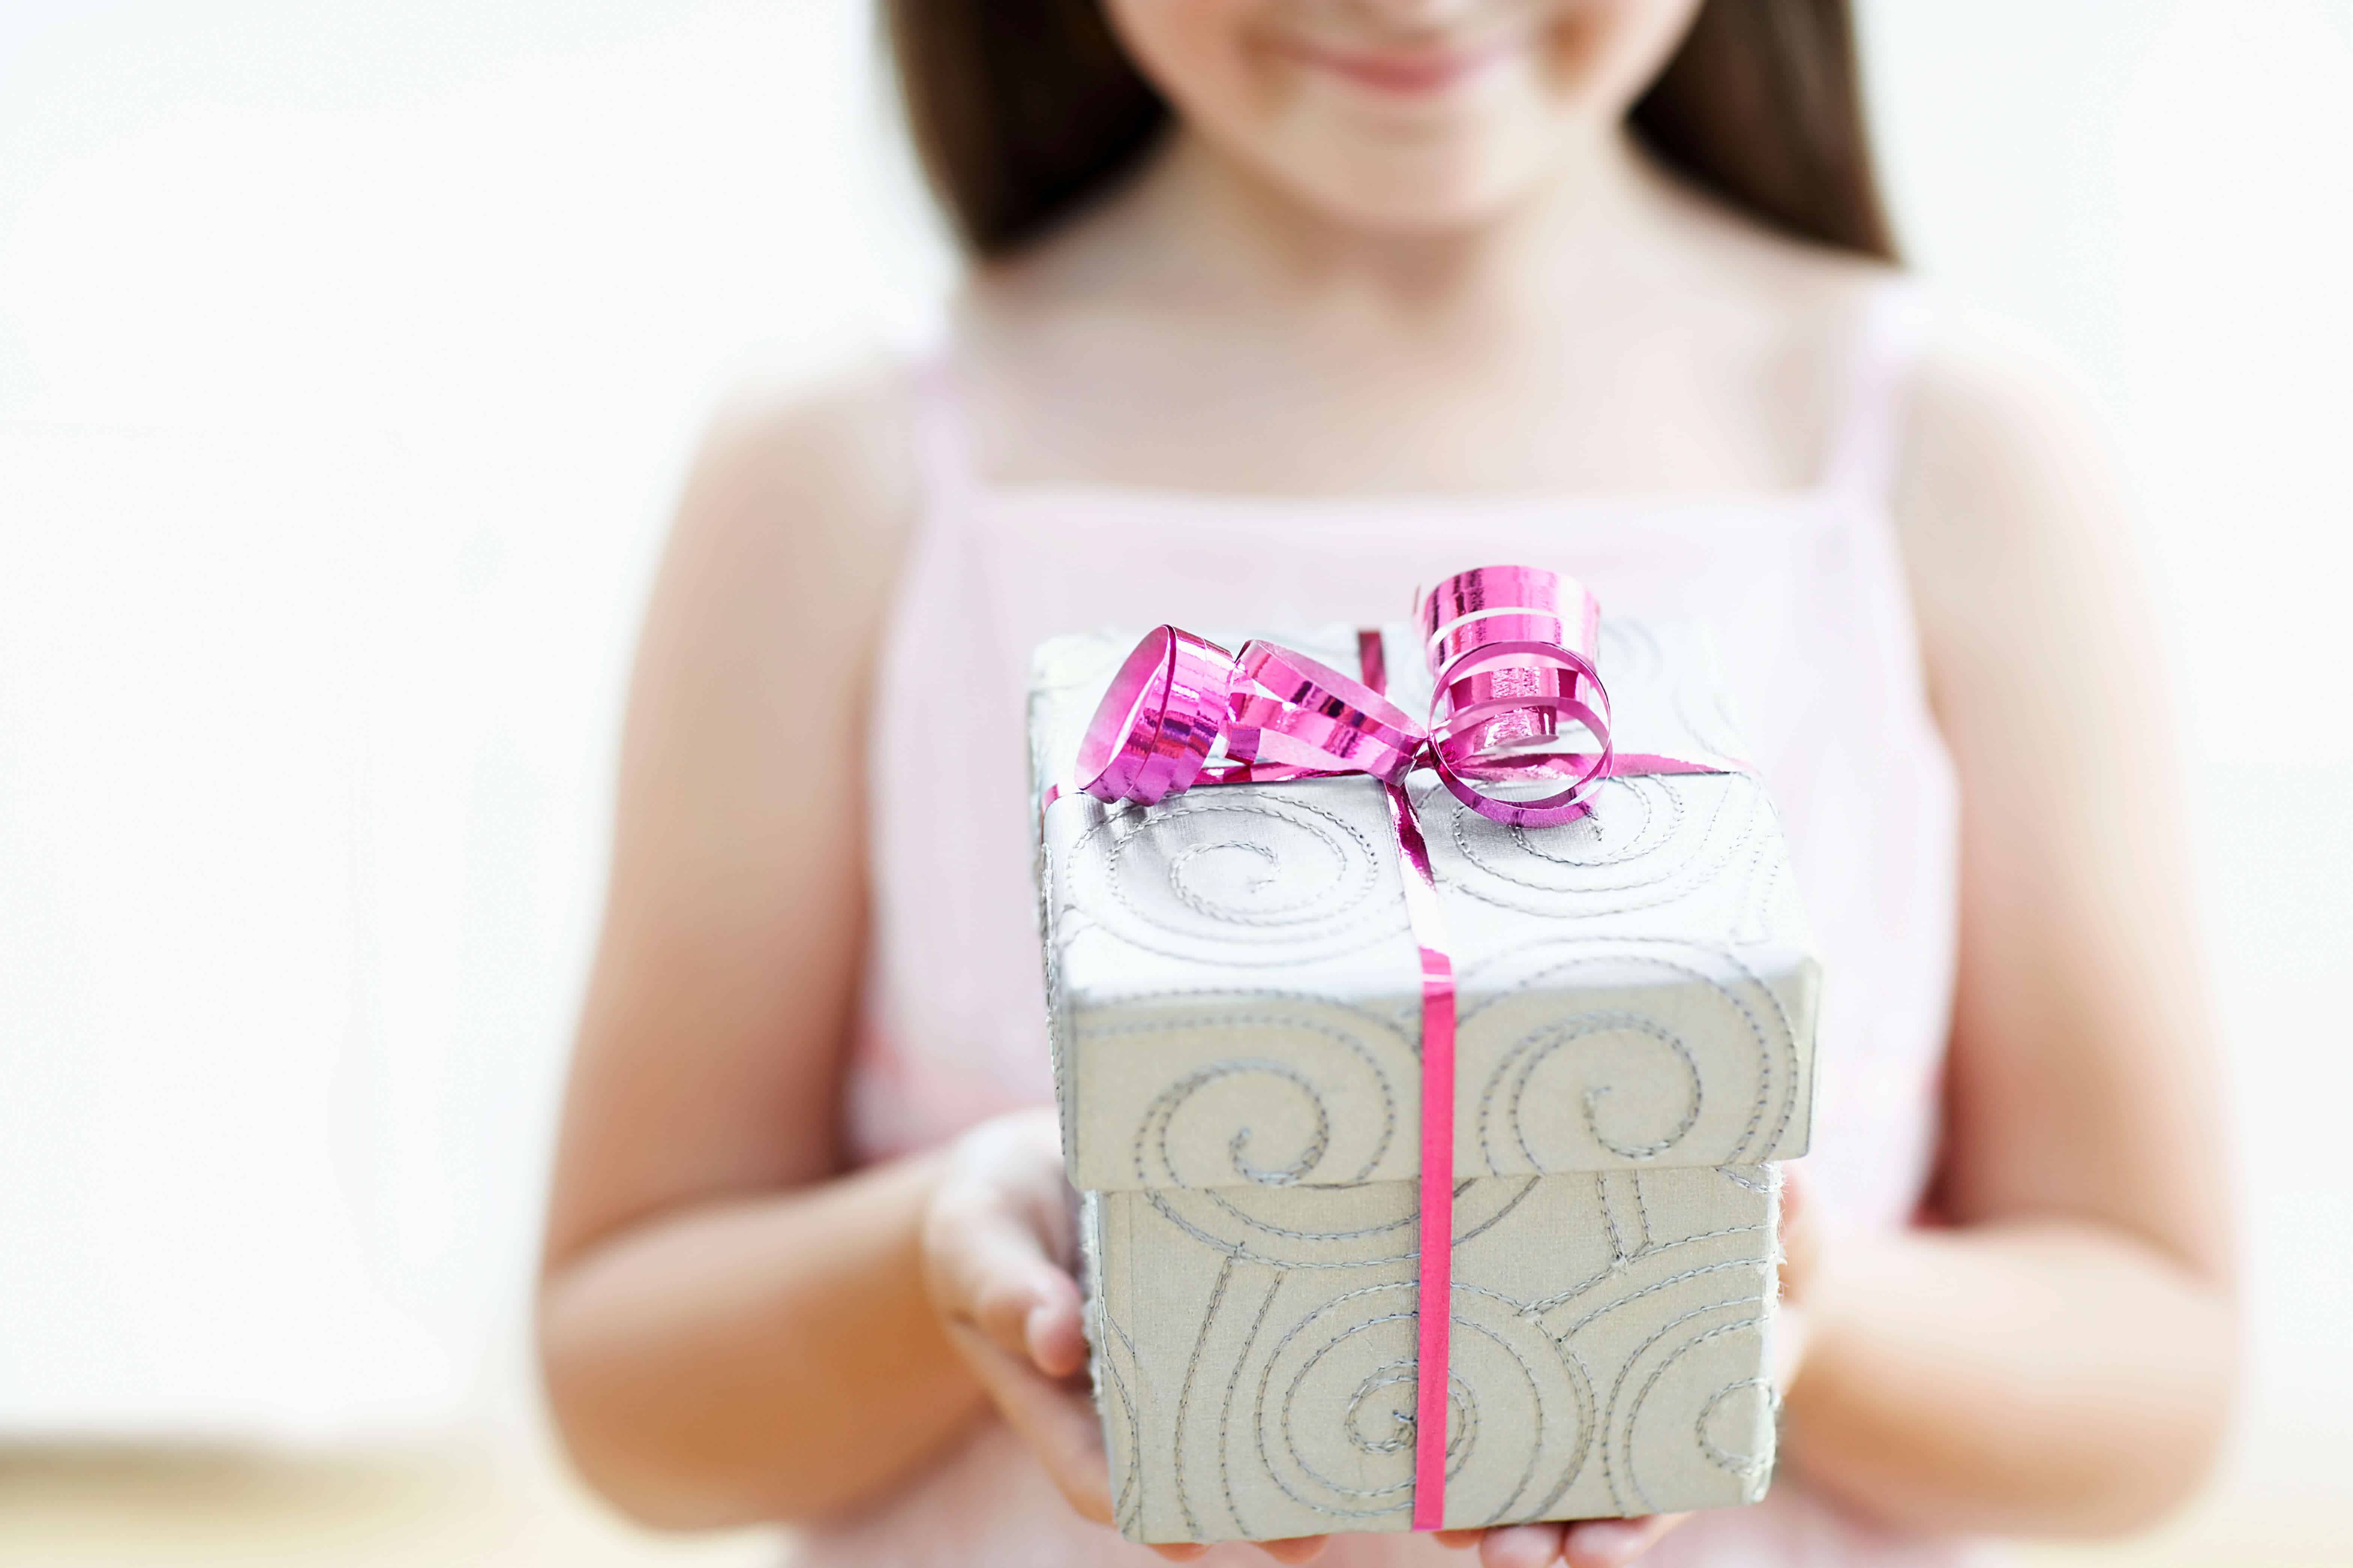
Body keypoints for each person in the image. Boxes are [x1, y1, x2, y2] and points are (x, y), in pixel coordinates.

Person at [535, 3, 2236, 1564]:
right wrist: (967, 1253)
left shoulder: (1950, 459)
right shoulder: (847, 474)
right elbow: (627, 1393)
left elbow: (2153, 1372)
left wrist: (1773, 1295)